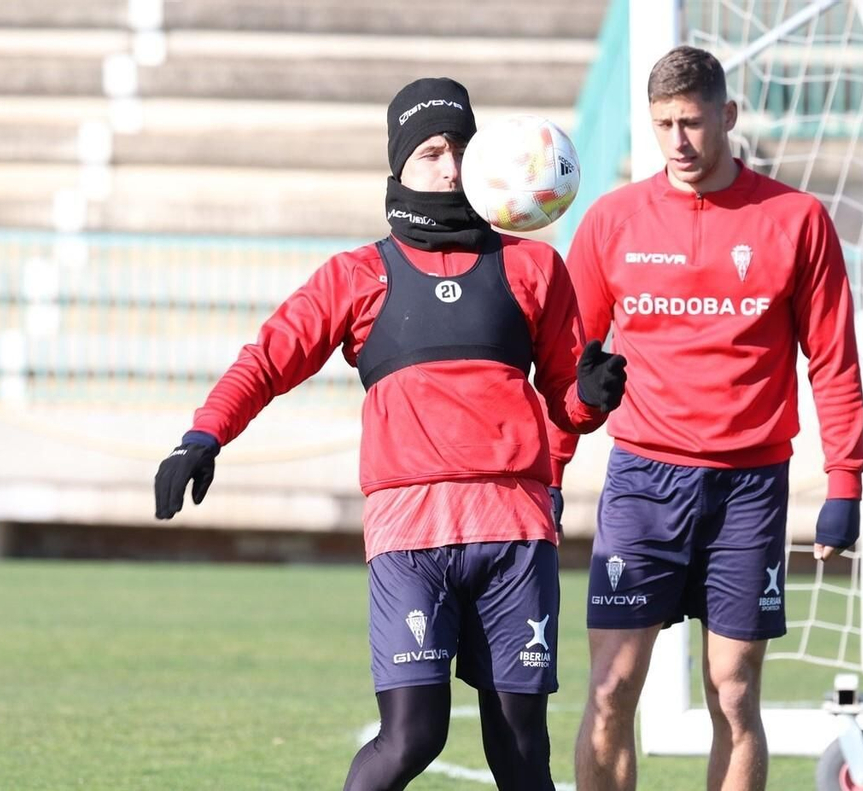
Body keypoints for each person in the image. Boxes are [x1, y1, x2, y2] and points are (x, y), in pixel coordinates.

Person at [154, 77, 627, 791]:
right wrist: (203, 436)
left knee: (521, 750)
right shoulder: (356, 274)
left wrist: (590, 395)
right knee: (412, 736)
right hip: (410, 533)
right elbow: (268, 360)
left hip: (516, 529)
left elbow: (567, 405)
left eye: (461, 148)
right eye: (432, 151)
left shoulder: (534, 265)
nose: (450, 166)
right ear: (400, 163)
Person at [550, 46, 863, 791]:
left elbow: (833, 361)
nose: (679, 141)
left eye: (692, 122)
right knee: (610, 690)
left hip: (749, 489)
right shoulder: (612, 221)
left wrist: (845, 483)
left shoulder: (797, 220)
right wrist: (550, 470)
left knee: (733, 691)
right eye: (664, 125)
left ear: (728, 115)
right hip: (642, 482)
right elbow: (569, 365)